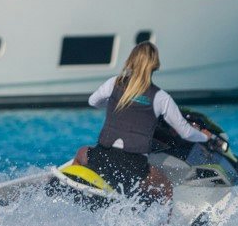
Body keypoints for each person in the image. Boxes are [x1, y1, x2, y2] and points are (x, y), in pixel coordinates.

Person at [75, 41, 213, 201]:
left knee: (81, 153)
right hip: (133, 167)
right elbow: (186, 132)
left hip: (102, 157)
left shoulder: (114, 83)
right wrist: (205, 137)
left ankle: (73, 190)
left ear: (130, 61)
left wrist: (115, 106)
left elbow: (93, 102)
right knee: (166, 189)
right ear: (155, 65)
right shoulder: (161, 98)